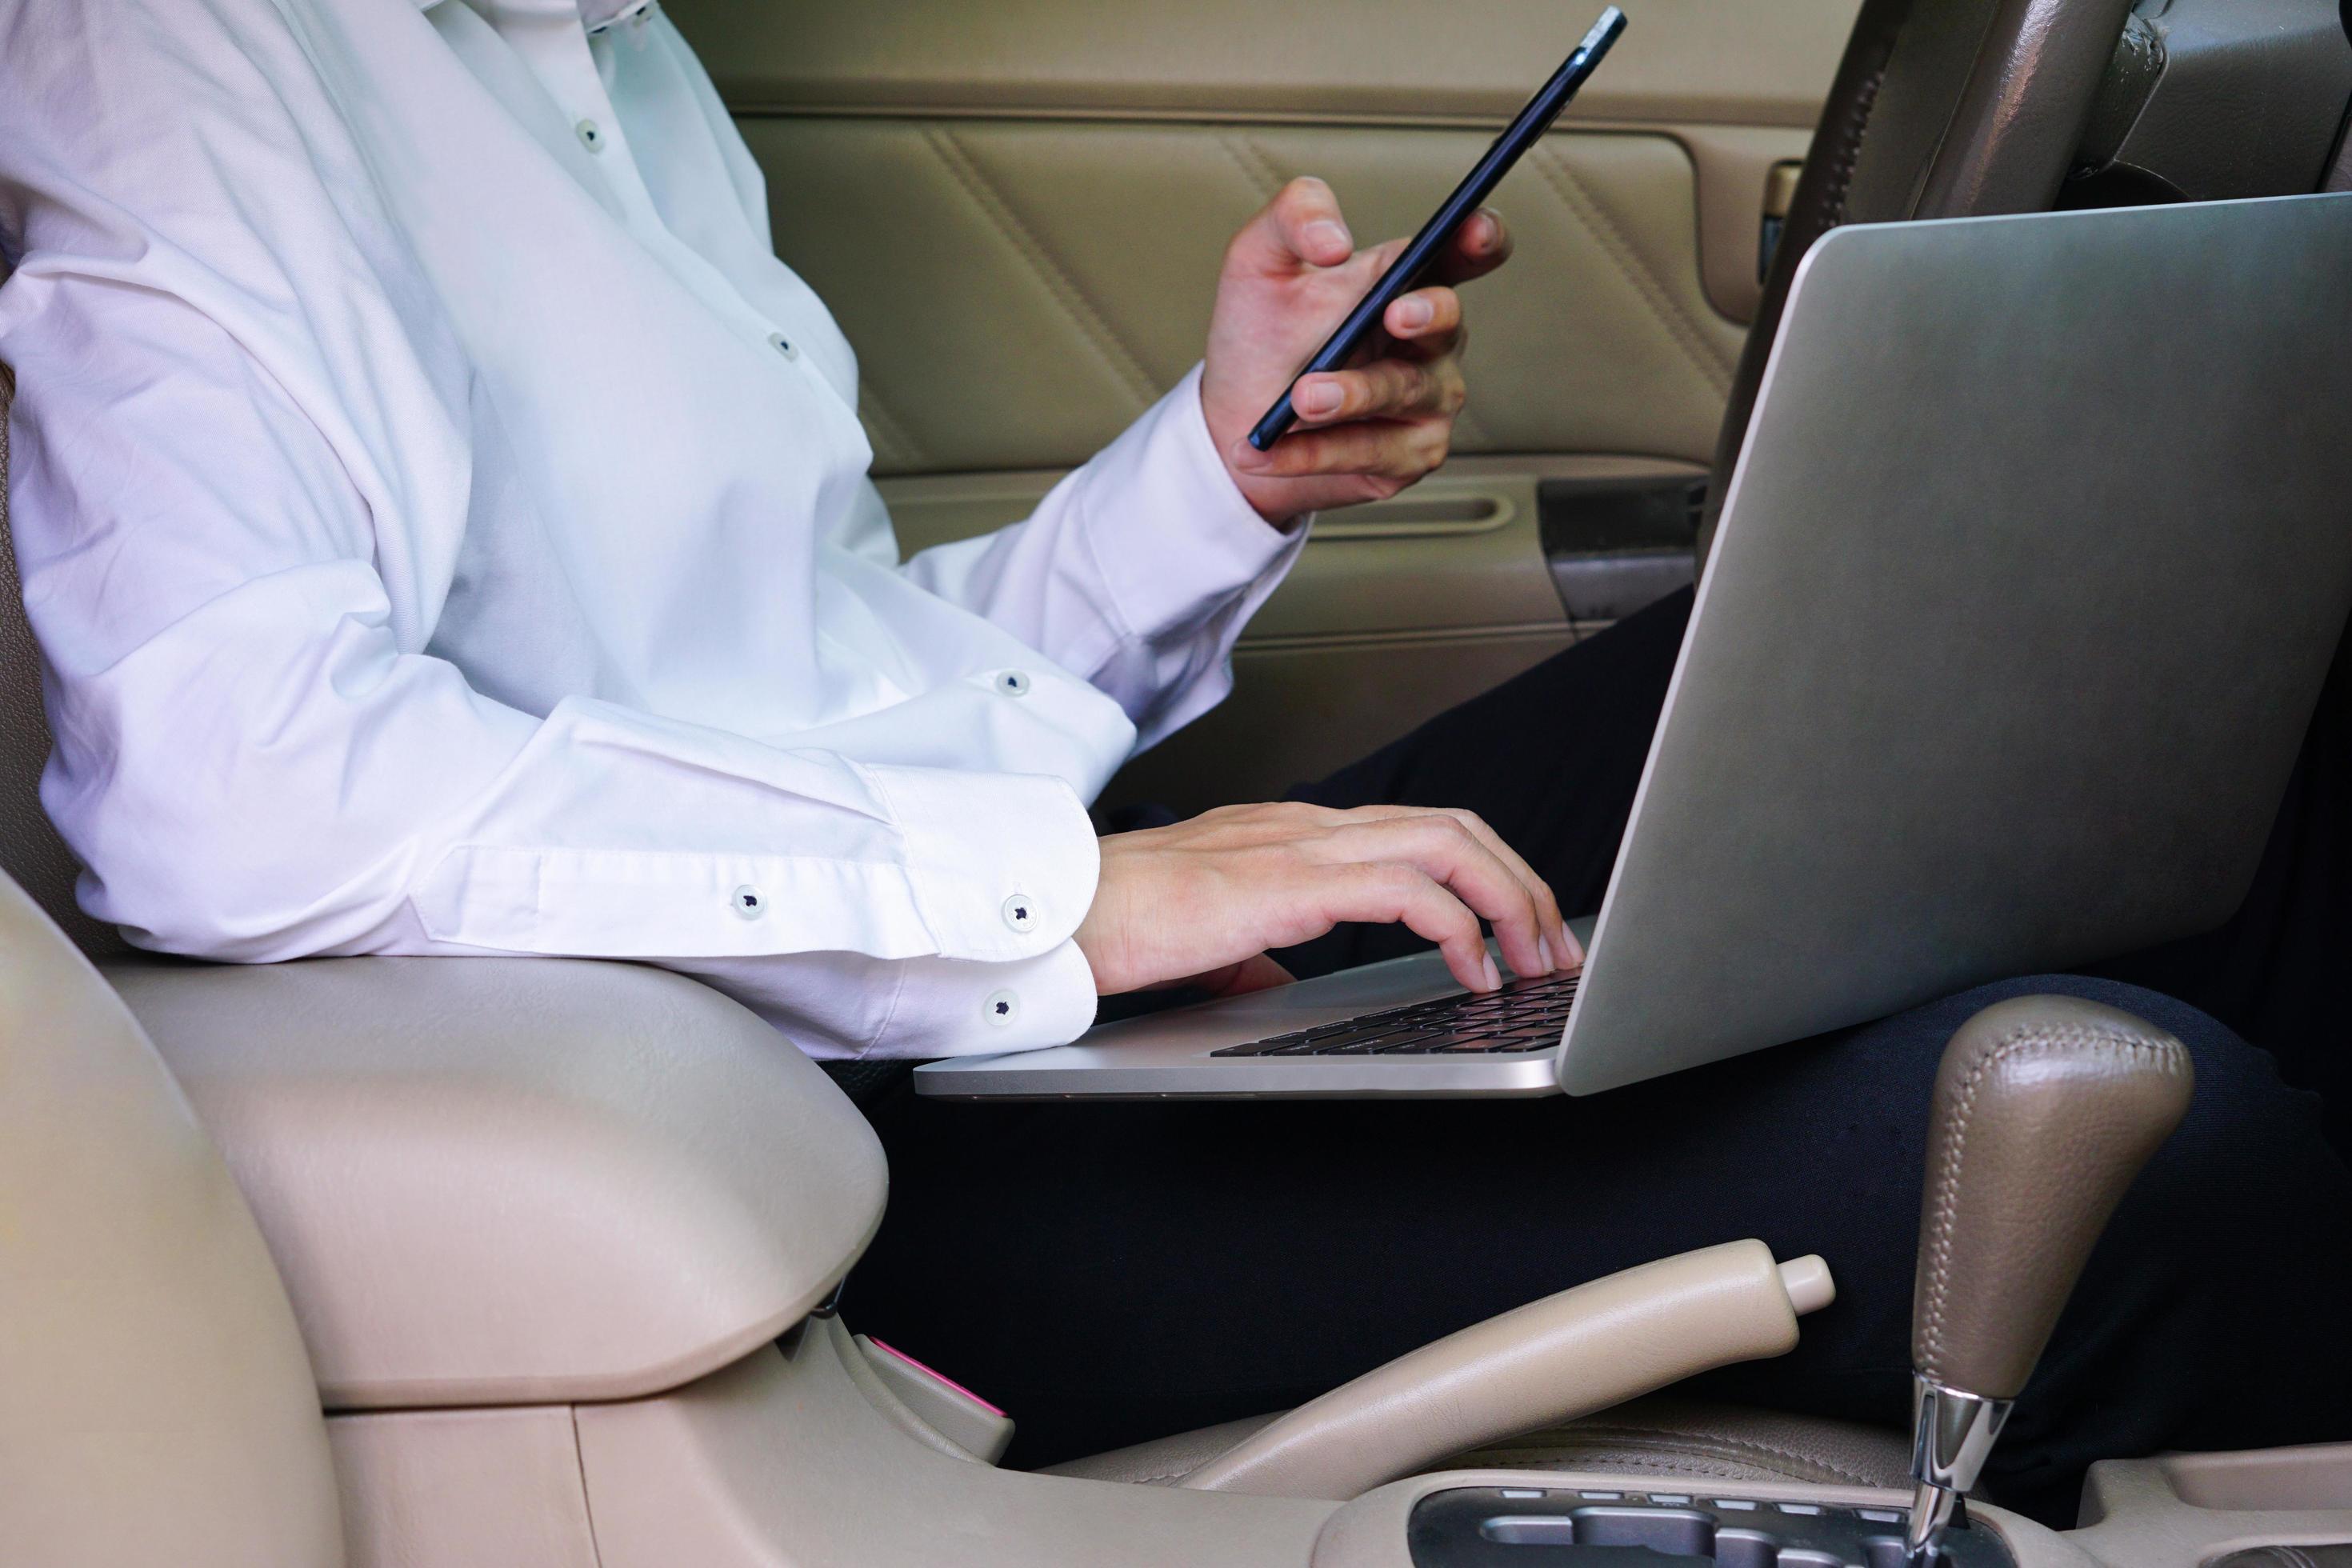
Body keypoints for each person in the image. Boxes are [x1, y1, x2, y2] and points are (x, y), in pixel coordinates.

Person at [1, 0, 2344, 1522]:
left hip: (968, 994)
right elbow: (229, 783)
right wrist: (1062, 898)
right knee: (2140, 1132)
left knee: (2107, 675)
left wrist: (1208, 482)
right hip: (823, 1174)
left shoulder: (612, 66)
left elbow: (807, 698)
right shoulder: (177, 64)